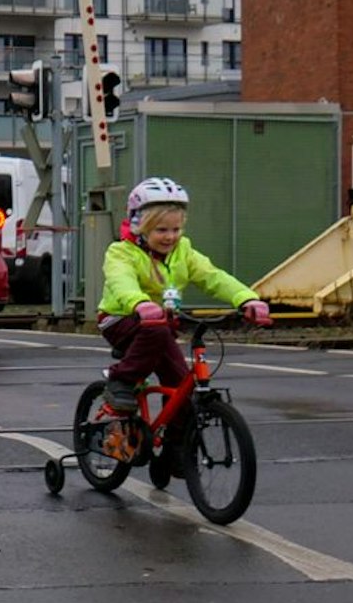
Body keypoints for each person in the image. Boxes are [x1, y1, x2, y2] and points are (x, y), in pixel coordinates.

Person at [96, 178, 272, 446]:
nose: (170, 236)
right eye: (161, 230)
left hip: (160, 326)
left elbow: (213, 277)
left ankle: (174, 452)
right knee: (155, 328)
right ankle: (120, 381)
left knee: (182, 390)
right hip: (121, 320)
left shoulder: (184, 252)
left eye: (176, 229)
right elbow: (121, 281)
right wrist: (139, 303)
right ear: (139, 226)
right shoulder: (121, 252)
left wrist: (246, 299)